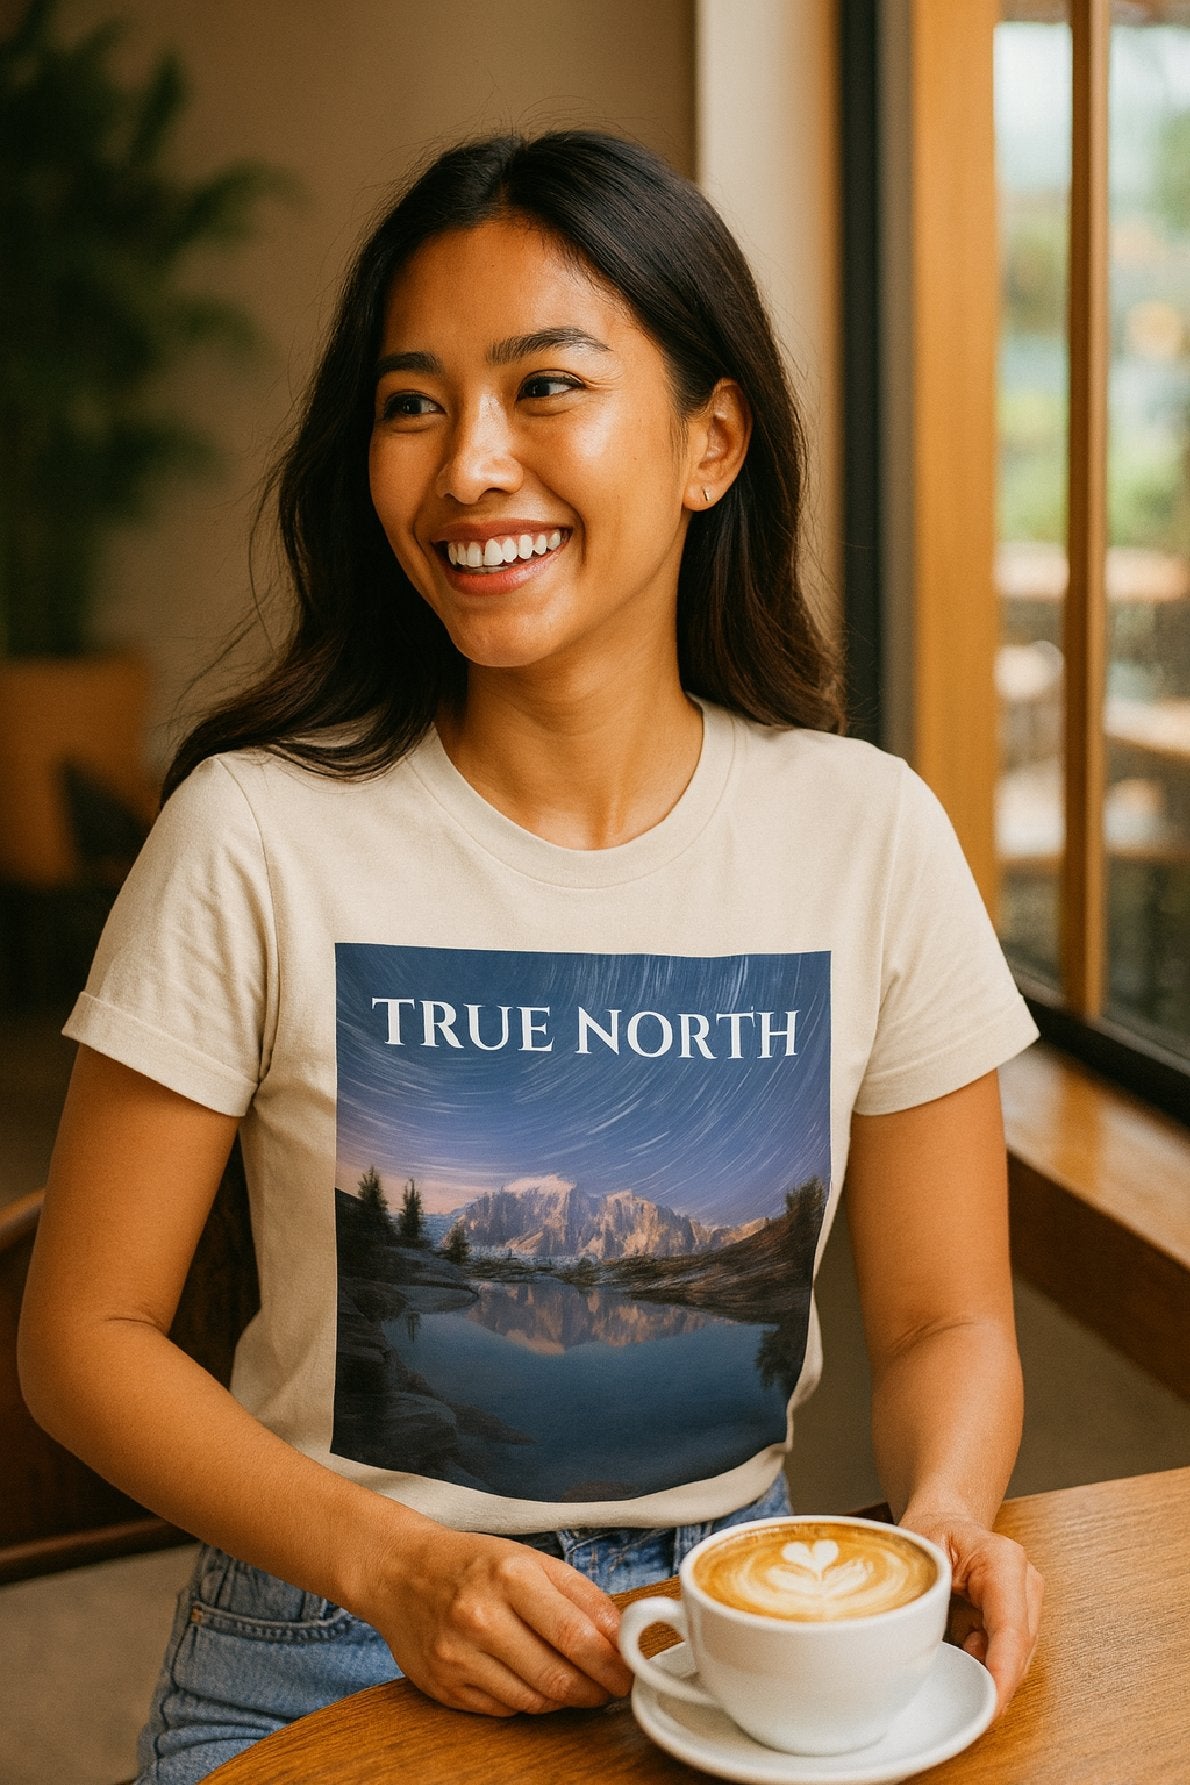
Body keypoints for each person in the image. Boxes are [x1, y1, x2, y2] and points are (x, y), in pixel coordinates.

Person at [19, 130, 1043, 1783]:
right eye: (412, 403)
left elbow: (943, 1324)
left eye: (543, 386)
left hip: (743, 1628)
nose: (468, 464)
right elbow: (84, 1336)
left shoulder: (867, 831)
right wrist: (394, 1566)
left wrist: (931, 1524)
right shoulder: (255, 831)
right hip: (326, 1630)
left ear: (712, 440)